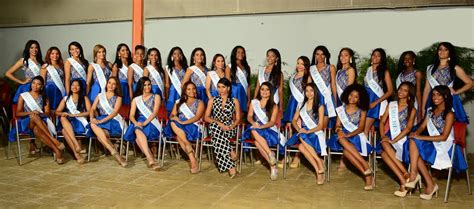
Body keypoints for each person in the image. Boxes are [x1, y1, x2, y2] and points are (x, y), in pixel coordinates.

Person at [407, 85, 467, 200]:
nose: (434, 97)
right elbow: (422, 126)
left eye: (438, 95)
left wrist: (420, 137)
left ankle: (421, 180)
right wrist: (416, 133)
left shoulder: (450, 114)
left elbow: (444, 137)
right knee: (413, 143)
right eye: (433, 94)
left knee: (415, 146)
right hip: (433, 142)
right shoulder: (430, 111)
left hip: (446, 146)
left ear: (445, 96)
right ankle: (418, 177)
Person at [8, 76, 64, 163]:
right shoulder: (23, 96)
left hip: (39, 123)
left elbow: (47, 113)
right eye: (33, 83)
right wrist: (30, 113)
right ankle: (53, 140)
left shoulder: (44, 98)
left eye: (38, 84)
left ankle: (57, 151)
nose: (35, 86)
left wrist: (39, 113)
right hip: (26, 123)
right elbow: (18, 113)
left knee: (37, 129)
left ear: (42, 86)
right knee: (33, 116)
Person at [328, 84, 373, 190]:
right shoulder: (341, 109)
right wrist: (339, 130)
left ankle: (366, 173)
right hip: (342, 136)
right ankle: (366, 169)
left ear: (359, 99)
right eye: (351, 95)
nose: (352, 98)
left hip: (355, 135)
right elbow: (338, 125)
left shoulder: (362, 110)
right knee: (341, 138)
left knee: (346, 152)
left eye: (356, 96)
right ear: (347, 94)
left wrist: (348, 134)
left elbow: (361, 127)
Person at [378, 82, 417, 197]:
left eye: (405, 90)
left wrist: (394, 140)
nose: (401, 91)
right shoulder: (391, 105)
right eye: (400, 89)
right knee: (384, 145)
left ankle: (404, 179)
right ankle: (404, 178)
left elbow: (409, 127)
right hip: (390, 135)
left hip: (403, 138)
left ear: (409, 94)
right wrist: (383, 135)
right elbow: (382, 122)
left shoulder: (412, 109)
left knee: (385, 152)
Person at [421, 42, 472, 124]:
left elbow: (470, 83)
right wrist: (423, 108)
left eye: (446, 50)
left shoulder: (455, 68)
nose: (442, 51)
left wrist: (456, 92)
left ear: (450, 52)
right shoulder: (430, 68)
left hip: (448, 100)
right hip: (433, 100)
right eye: (440, 49)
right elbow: (426, 89)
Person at [244, 82, 284, 180]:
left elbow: (272, 122)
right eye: (262, 89)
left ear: (270, 92)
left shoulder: (274, 106)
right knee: (253, 130)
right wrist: (253, 123)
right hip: (255, 127)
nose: (264, 91)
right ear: (259, 91)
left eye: (267, 89)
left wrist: (262, 127)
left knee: (258, 143)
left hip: (267, 128)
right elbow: (249, 116)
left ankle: (272, 166)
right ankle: (270, 153)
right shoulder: (254, 102)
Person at [287, 83, 326, 184]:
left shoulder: (320, 106)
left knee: (301, 145)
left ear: (315, 92)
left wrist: (307, 131)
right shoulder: (301, 104)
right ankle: (318, 167)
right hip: (303, 133)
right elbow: (294, 120)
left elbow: (320, 125)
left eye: (311, 90)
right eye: (307, 91)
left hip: (315, 133)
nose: (309, 93)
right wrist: (298, 129)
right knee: (301, 139)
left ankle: (318, 166)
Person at [164, 81, 205, 173]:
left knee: (179, 137)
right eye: (189, 89)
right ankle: (192, 159)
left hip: (193, 126)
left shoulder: (200, 102)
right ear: (185, 91)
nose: (192, 91)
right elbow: (172, 115)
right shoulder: (179, 102)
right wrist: (177, 119)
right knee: (173, 122)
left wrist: (184, 122)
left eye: (194, 89)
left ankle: (191, 157)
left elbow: (197, 117)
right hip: (179, 125)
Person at [204, 78, 240, 178]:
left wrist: (231, 126)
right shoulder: (212, 100)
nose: (220, 89)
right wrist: (220, 124)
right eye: (219, 87)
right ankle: (231, 162)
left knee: (217, 138)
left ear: (228, 88)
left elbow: (238, 119)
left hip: (229, 127)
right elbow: (206, 117)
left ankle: (230, 159)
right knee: (215, 127)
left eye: (223, 87)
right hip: (216, 126)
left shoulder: (234, 101)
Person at [124, 77, 162, 171]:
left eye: (149, 84)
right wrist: (136, 122)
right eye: (145, 85)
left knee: (137, 135)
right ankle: (150, 158)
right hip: (139, 122)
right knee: (137, 129)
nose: (147, 87)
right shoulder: (136, 99)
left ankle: (149, 158)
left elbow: (155, 113)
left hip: (151, 122)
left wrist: (145, 123)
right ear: (141, 86)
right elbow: (131, 115)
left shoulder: (156, 96)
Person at [280, 56, 311, 168]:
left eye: (302, 63)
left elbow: (309, 94)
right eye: (298, 63)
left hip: (301, 105)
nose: (299, 65)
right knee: (289, 129)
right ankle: (287, 155)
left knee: (299, 128)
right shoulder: (293, 77)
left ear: (306, 65)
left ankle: (297, 157)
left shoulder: (308, 78)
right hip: (292, 104)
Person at [89, 76, 127, 167]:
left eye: (113, 84)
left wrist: (102, 120)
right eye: (109, 83)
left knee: (99, 137)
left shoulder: (118, 97)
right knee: (93, 124)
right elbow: (93, 109)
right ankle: (115, 152)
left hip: (113, 121)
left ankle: (114, 152)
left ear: (116, 86)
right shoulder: (99, 96)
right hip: (101, 121)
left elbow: (114, 113)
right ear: (106, 84)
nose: (111, 85)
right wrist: (91, 117)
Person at [55, 79, 91, 164]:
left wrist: (75, 115)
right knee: (63, 118)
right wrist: (63, 113)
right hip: (68, 121)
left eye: (77, 85)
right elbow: (57, 112)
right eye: (72, 85)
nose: (74, 87)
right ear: (70, 87)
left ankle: (77, 154)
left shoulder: (84, 98)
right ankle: (77, 147)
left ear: (80, 87)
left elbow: (89, 112)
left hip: (79, 121)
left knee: (64, 131)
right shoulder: (66, 98)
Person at [364, 48, 393, 136]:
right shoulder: (368, 70)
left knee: (364, 129)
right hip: (366, 101)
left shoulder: (384, 72)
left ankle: (362, 149)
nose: (375, 57)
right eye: (374, 54)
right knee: (366, 129)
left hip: (376, 101)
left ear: (382, 58)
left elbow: (390, 91)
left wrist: (376, 102)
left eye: (378, 55)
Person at [6, 40, 43, 104]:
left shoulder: (41, 61)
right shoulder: (23, 61)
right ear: (28, 49)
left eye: (36, 47)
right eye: (31, 47)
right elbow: (8, 73)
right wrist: (21, 82)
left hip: (39, 88)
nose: (34, 50)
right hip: (28, 87)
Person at [309, 45, 337, 129]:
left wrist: (335, 100)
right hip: (315, 98)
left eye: (322, 54)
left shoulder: (330, 67)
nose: (320, 56)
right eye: (317, 54)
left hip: (326, 98)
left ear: (326, 55)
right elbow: (309, 85)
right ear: (314, 55)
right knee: (313, 125)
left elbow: (333, 85)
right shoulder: (311, 69)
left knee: (323, 127)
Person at [254, 49, 284, 113]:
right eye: (268, 56)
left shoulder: (279, 73)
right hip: (261, 99)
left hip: (273, 100)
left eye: (272, 56)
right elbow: (257, 87)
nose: (269, 58)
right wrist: (254, 100)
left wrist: (281, 106)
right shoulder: (261, 70)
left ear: (276, 58)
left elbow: (280, 90)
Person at [395, 51, 423, 118]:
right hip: (400, 102)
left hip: (411, 102)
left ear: (413, 60)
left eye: (409, 58)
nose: (407, 61)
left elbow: (418, 91)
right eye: (405, 59)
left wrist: (419, 109)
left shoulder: (417, 73)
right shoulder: (400, 74)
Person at [225, 46, 251, 112]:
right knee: (234, 112)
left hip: (244, 92)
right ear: (234, 54)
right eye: (238, 52)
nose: (241, 54)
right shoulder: (229, 67)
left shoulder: (247, 67)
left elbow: (248, 84)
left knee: (242, 111)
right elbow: (227, 84)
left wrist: (249, 98)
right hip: (234, 92)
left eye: (242, 52)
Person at [40, 47, 66, 111]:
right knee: (50, 109)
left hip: (60, 90)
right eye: (52, 53)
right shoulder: (45, 66)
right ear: (49, 55)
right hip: (49, 90)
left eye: (57, 54)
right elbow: (42, 81)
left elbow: (64, 79)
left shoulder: (62, 65)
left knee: (59, 109)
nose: (55, 55)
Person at [165, 47, 188, 114]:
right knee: (172, 111)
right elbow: (167, 84)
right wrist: (167, 97)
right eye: (175, 53)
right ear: (172, 56)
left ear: (182, 55)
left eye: (179, 53)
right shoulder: (168, 68)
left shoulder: (186, 67)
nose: (177, 55)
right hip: (173, 92)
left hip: (183, 91)